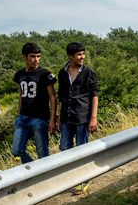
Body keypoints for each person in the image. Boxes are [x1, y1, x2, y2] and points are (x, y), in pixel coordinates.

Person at [57, 42, 99, 195]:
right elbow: (61, 97)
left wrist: (93, 118)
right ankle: (72, 180)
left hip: (82, 116)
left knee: (82, 150)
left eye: (83, 54)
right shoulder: (62, 73)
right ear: (70, 56)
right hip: (66, 117)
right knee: (64, 149)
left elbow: (94, 95)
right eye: (79, 54)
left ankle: (84, 183)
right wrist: (58, 119)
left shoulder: (89, 72)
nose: (82, 57)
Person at [12, 42, 57, 164]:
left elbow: (52, 97)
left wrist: (52, 119)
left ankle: (45, 177)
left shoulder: (45, 74)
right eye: (32, 56)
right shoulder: (19, 74)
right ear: (24, 57)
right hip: (23, 117)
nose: (35, 59)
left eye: (38, 56)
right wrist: (19, 114)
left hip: (40, 118)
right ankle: (35, 172)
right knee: (16, 150)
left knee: (42, 153)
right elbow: (21, 94)